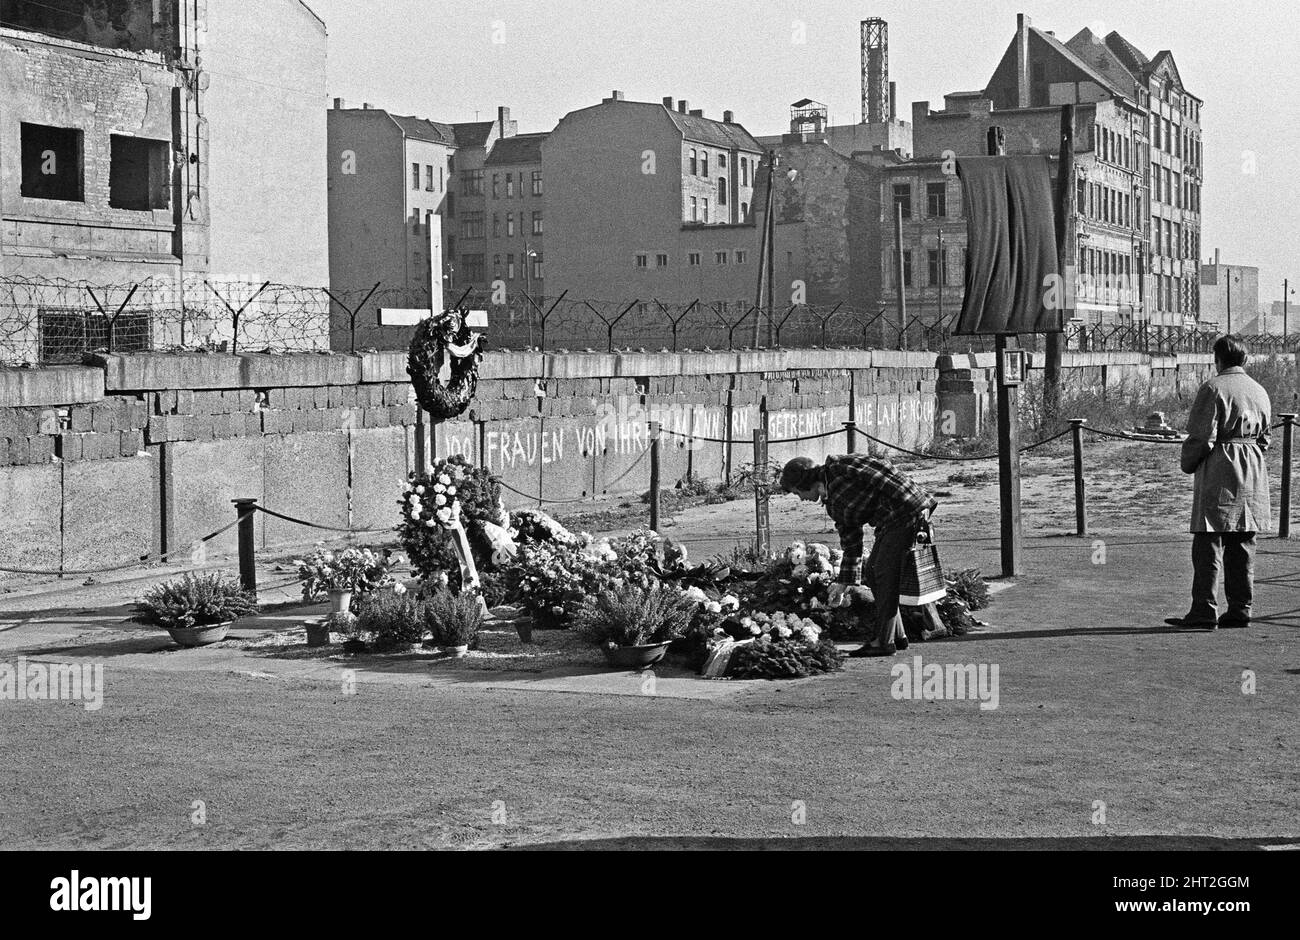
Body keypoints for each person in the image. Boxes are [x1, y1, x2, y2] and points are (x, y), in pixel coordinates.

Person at [779, 454, 938, 657]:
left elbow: (881, 473)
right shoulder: (834, 502)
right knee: (873, 573)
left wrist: (912, 505)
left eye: (797, 492)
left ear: (805, 483)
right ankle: (897, 636)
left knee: (883, 574)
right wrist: (843, 584)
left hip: (905, 513)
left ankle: (883, 641)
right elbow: (852, 542)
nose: (801, 498)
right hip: (891, 520)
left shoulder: (840, 469)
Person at [1167, 335, 1272, 630]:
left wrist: (1188, 462)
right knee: (1243, 541)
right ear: (1246, 360)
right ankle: (1241, 607)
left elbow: (1202, 437)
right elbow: (1265, 438)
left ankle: (1204, 609)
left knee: (1208, 540)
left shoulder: (1213, 388)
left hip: (1221, 466)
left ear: (1218, 359)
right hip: (1252, 467)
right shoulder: (1260, 390)